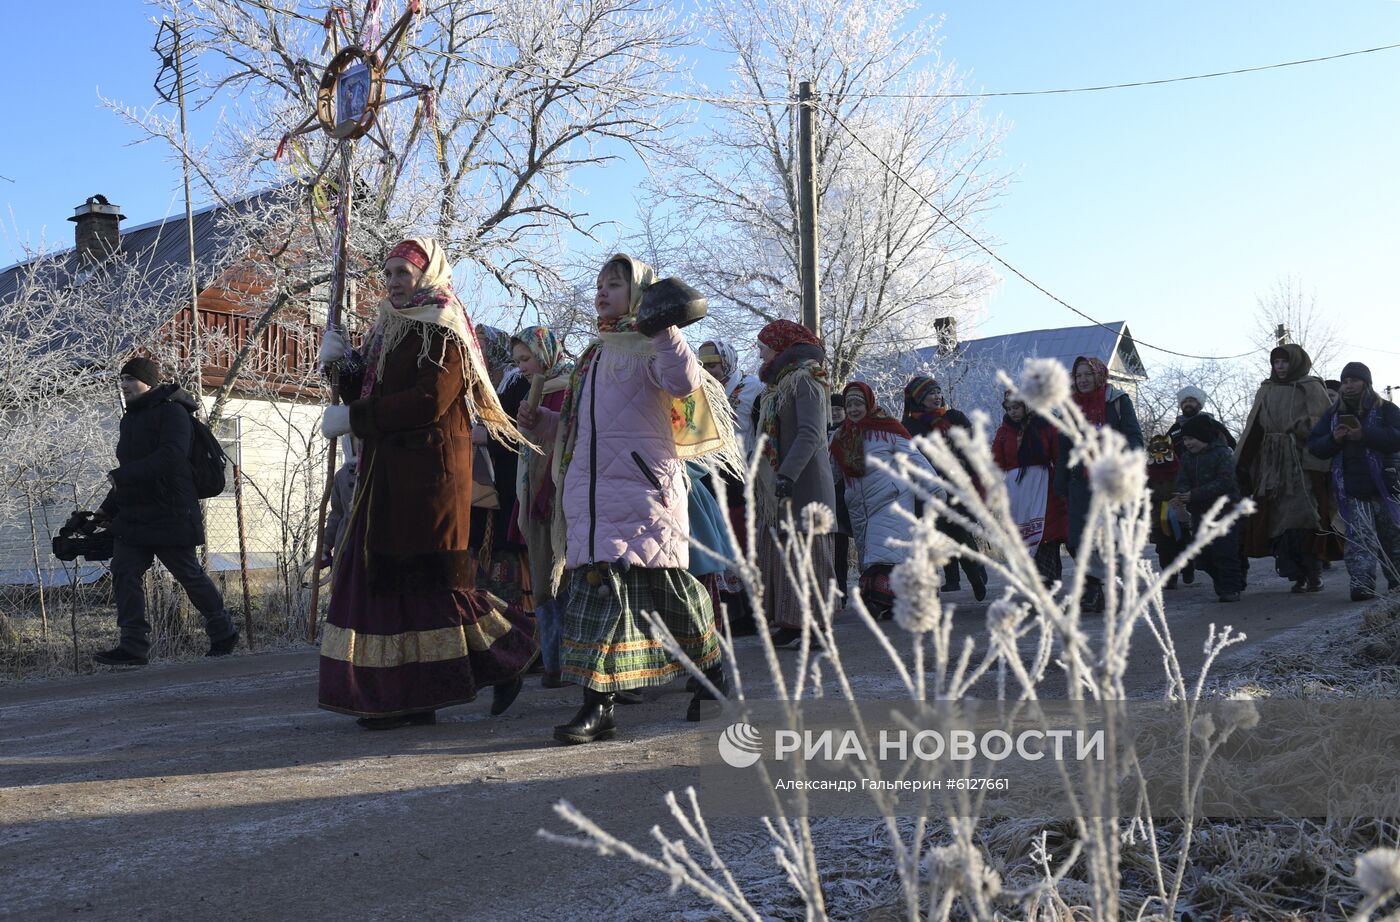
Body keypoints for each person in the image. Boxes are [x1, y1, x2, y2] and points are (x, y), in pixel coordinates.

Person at [516, 254, 740, 743]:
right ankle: (599, 708)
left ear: (640, 293)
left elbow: (685, 386)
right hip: (593, 498)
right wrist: (544, 425)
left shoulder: (652, 346)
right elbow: (582, 425)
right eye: (599, 284)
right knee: (598, 602)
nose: (602, 292)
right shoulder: (594, 354)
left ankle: (716, 676)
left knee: (674, 601)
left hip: (644, 494)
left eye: (615, 285)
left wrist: (664, 329)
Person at [316, 237, 538, 730]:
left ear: (428, 275)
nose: (394, 282)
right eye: (389, 272)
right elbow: (371, 386)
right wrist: (343, 364)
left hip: (428, 476)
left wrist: (352, 417)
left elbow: (427, 401)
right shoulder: (388, 326)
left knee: (432, 582)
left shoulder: (444, 328)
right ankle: (407, 696)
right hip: (384, 473)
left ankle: (511, 653)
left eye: (403, 273)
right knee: (386, 582)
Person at [91, 356, 240, 666]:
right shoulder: (129, 419)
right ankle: (133, 647)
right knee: (124, 571)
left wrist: (123, 477)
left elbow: (171, 457)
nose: (125, 385)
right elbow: (128, 471)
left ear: (149, 382)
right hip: (136, 514)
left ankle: (223, 631)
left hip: (170, 509)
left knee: (187, 573)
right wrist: (106, 509)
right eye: (122, 380)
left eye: (130, 379)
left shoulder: (173, 413)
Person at [753, 319, 838, 648]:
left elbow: (810, 433)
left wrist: (787, 473)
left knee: (809, 554)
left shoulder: (806, 380)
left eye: (763, 346)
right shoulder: (777, 385)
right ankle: (792, 621)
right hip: (780, 484)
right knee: (783, 553)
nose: (760, 353)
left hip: (804, 483)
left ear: (780, 346)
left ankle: (817, 624)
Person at [1236, 344, 1343, 593]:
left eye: (1284, 362)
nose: (1280, 366)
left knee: (1305, 515)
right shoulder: (1267, 390)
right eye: (1276, 362)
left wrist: (1303, 426)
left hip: (1302, 462)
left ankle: (1313, 571)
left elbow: (1324, 422)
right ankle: (1295, 573)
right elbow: (1254, 428)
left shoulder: (1311, 387)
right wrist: (1241, 463)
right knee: (1277, 520)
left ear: (1295, 362)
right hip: (1272, 465)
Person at [830, 381, 934, 619]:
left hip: (891, 499)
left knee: (882, 555)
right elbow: (831, 471)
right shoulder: (841, 436)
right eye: (850, 405)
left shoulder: (887, 429)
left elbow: (914, 457)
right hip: (859, 507)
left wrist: (934, 486)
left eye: (858, 404)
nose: (854, 409)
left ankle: (880, 602)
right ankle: (896, 603)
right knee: (873, 557)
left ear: (868, 403)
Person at [1054, 356, 1144, 613]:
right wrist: (1061, 480)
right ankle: (1093, 588)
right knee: (1078, 539)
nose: (1082, 380)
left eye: (1087, 375)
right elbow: (1064, 448)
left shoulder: (1117, 401)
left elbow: (1134, 437)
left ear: (1098, 375)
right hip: (1081, 481)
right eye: (1078, 375)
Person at [509, 325, 573, 687]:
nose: (522, 367)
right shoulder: (529, 392)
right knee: (544, 577)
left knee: (566, 576)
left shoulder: (570, 387)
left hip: (561, 492)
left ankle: (571, 660)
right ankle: (553, 661)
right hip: (533, 492)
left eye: (526, 358)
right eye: (517, 361)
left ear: (545, 354)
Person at [1307, 362, 1400, 601]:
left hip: (1386, 486)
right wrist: (1334, 440)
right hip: (1352, 488)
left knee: (1394, 538)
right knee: (1359, 540)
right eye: (1345, 381)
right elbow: (1315, 446)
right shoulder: (1332, 414)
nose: (1348, 386)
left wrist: (1364, 435)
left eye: (1354, 380)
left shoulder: (1386, 409)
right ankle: (1362, 585)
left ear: (1366, 382)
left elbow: (1397, 437)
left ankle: (1397, 583)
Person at [697, 339, 764, 634]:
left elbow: (762, 429)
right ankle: (728, 613)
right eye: (704, 365)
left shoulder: (752, 389)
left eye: (713, 364)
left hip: (742, 475)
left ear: (727, 362)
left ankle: (753, 612)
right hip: (710, 475)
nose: (708, 370)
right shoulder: (700, 391)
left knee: (743, 543)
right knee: (722, 544)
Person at [902, 375, 988, 600]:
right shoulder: (909, 426)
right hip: (926, 489)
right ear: (919, 398)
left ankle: (975, 574)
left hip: (956, 484)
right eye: (930, 393)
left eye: (938, 391)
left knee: (960, 532)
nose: (937, 396)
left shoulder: (954, 417)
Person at [469, 324, 532, 611]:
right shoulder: (482, 387)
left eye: (481, 347)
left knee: (507, 559)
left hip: (509, 484)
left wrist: (489, 437)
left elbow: (526, 433)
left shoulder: (518, 382)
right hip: (482, 489)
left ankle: (519, 625)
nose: (476, 353)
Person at [991, 394, 1068, 587]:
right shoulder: (1003, 432)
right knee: (1025, 542)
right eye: (1008, 408)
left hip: (1043, 487)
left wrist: (1062, 482)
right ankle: (1037, 588)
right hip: (1017, 493)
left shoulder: (1045, 425)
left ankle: (1048, 586)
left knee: (1046, 538)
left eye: (1016, 407)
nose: (1012, 412)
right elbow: (996, 463)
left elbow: (1059, 455)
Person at [1172, 414, 1246, 602]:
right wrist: (1181, 494)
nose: (1187, 443)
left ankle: (1231, 587)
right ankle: (1224, 581)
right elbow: (1182, 480)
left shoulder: (1222, 453)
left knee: (1224, 550)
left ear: (1203, 436)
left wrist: (1194, 494)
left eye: (1191, 439)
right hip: (1199, 512)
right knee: (1203, 555)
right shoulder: (1188, 458)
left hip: (1225, 509)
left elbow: (1225, 482)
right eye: (1185, 439)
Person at [1146, 434, 1194, 589]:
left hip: (1179, 511)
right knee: (1163, 547)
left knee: (1183, 543)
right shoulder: (1147, 472)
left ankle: (1188, 569)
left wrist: (1181, 497)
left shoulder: (1179, 468)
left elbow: (1187, 485)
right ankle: (1169, 575)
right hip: (1157, 515)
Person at [828, 391, 853, 603]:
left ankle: (842, 591)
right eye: (832, 410)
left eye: (839, 409)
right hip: (827, 497)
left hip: (845, 498)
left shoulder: (851, 433)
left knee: (841, 549)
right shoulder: (820, 432)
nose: (835, 413)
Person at [319, 436, 359, 571]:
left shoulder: (377, 472)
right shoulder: (341, 476)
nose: (359, 444)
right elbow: (336, 513)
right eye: (355, 439)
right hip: (346, 545)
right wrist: (325, 544)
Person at [1168, 385, 1236, 454]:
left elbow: (1232, 445)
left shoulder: (1212, 424)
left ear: (1199, 404)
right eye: (1184, 402)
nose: (1187, 404)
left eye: (1191, 401)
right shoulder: (1175, 428)